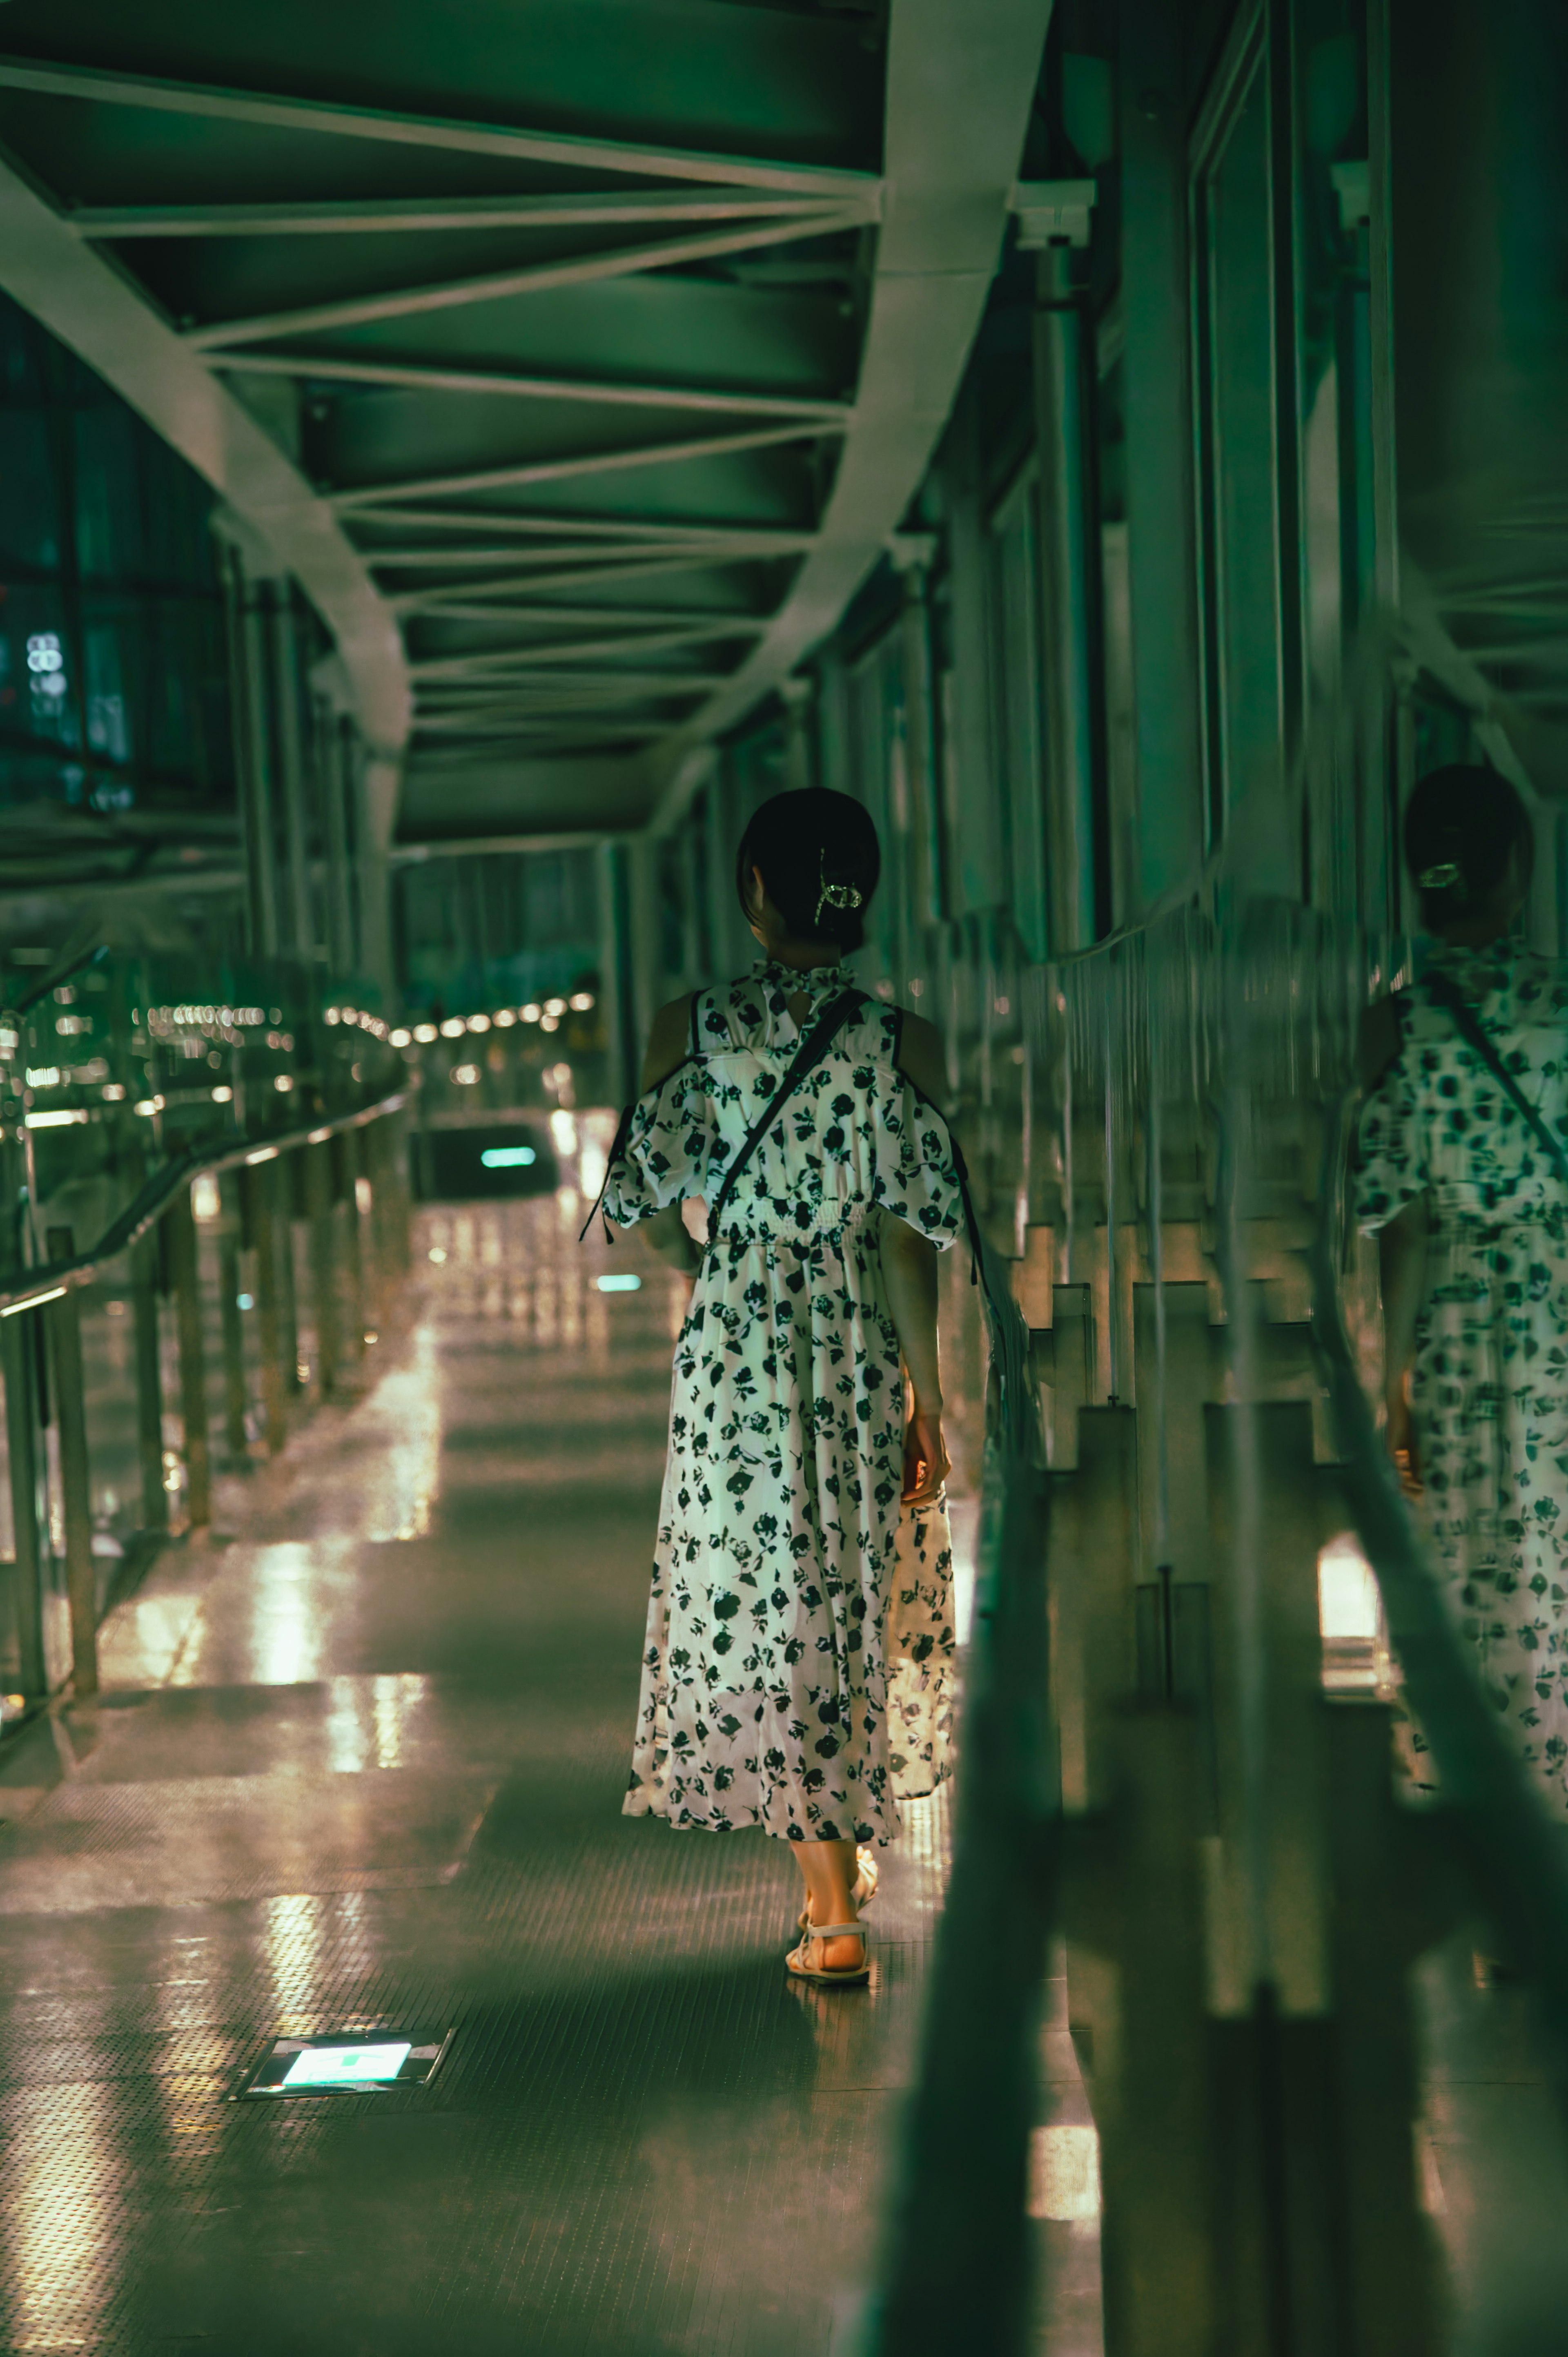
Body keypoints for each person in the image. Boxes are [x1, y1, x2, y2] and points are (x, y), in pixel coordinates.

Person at [601, 786, 965, 1985]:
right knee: (851, 1584)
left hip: (742, 1346)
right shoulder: (898, 1040)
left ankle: (830, 1913)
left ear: (756, 892)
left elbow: (647, 1205)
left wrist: (717, 1265)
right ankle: (842, 1868)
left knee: (769, 1598)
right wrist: (928, 1393)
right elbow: (912, 1234)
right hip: (861, 1330)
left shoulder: (686, 1028)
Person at [1356, 762, 1568, 1809]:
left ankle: (1476, 1826)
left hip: (1448, 1321)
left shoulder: (1396, 1027)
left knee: (1458, 1564)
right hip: (1558, 1309)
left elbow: (1403, 1224)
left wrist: (1392, 1383)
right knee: (1555, 1564)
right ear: (1519, 872)